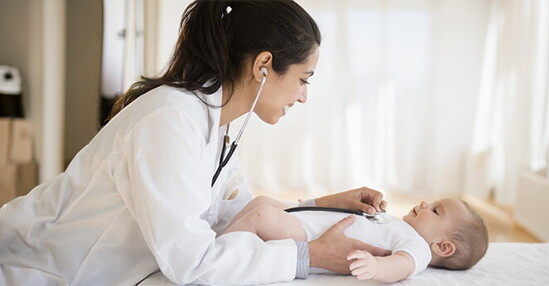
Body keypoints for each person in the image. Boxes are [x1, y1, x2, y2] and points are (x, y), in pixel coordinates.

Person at [0, 1, 390, 285]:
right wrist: (310, 256)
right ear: (263, 65)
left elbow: (239, 217)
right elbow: (193, 262)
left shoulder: (215, 123)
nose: (303, 96)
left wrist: (321, 206)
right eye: (304, 79)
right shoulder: (169, 119)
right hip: (37, 266)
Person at [223, 195, 489, 284]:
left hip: (307, 236)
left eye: (435, 210)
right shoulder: (398, 225)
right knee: (261, 202)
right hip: (305, 220)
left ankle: (218, 252)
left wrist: (377, 267)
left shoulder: (418, 247)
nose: (424, 203)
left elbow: (404, 265)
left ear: (442, 247)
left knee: (262, 216)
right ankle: (222, 238)